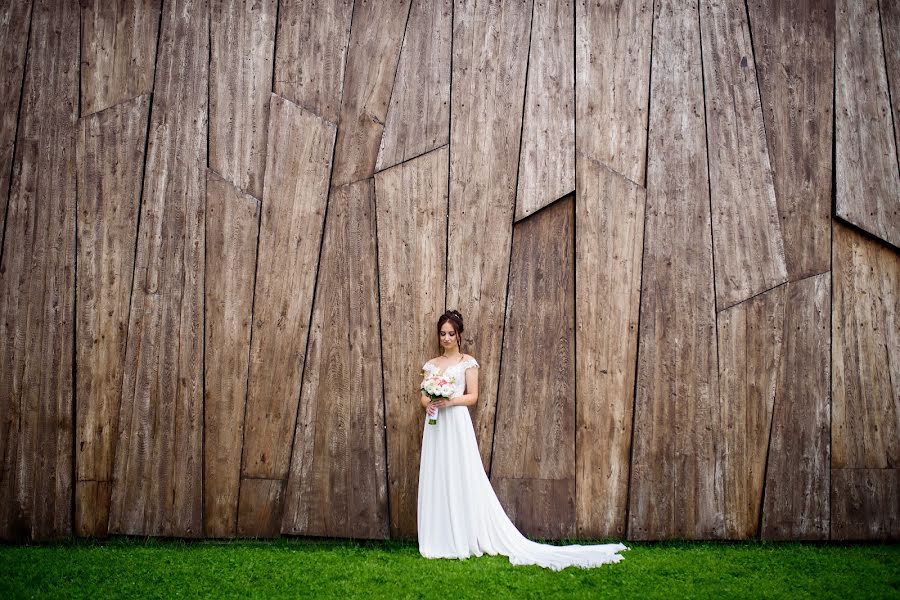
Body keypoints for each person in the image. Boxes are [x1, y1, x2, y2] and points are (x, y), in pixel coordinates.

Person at [417, 309, 629, 570]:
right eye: (442, 334)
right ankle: (439, 535)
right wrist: (429, 403)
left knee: (460, 473)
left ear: (459, 335)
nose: (446, 338)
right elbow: (424, 396)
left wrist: (448, 400)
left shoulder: (468, 363)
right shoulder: (432, 365)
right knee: (438, 472)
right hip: (437, 426)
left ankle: (462, 533)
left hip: (457, 423)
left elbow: (472, 397)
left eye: (451, 333)